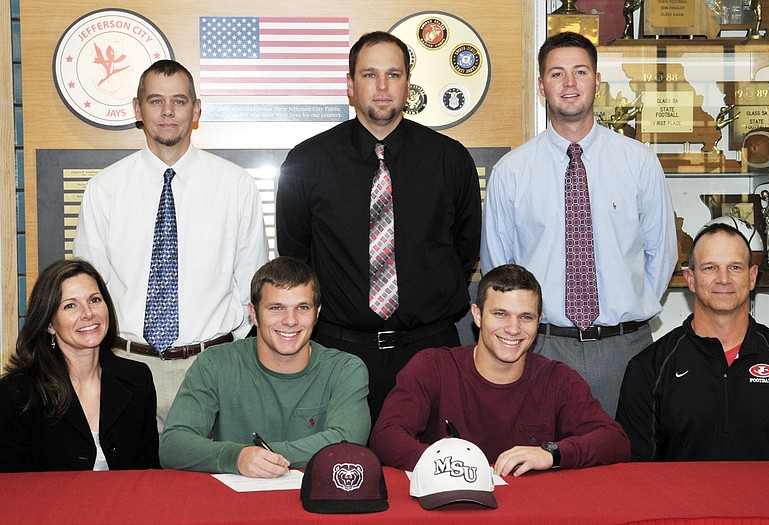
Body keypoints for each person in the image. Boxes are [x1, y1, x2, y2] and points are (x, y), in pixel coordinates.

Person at [277, 31, 481, 424]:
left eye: (394, 74)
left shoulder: (449, 160)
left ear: (408, 83)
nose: (383, 87)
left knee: (434, 472)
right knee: (340, 474)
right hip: (337, 353)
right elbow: (295, 256)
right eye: (370, 75)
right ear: (350, 85)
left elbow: (464, 250)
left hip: (430, 350)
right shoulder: (306, 162)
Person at [481, 31, 677, 417]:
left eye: (580, 72)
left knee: (626, 465)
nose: (569, 84)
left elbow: (662, 254)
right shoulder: (512, 172)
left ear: (597, 81)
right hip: (541, 348)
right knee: (541, 466)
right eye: (557, 74)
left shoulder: (639, 163)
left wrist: (625, 307)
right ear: (541, 85)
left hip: (625, 349)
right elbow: (498, 270)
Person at [73, 60, 268, 429]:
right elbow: (89, 289)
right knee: (132, 486)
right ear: (137, 108)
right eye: (155, 101)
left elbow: (251, 288)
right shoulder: (105, 189)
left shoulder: (235, 185)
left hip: (211, 367)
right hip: (127, 367)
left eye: (179, 101)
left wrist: (224, 352)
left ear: (196, 110)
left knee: (209, 485)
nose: (167, 112)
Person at [369, 264, 630, 475]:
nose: (513, 329)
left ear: (539, 322)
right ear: (478, 315)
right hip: (452, 505)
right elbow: (386, 436)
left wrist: (552, 453)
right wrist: (445, 464)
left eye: (525, 317)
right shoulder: (433, 367)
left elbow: (615, 441)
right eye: (501, 314)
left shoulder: (558, 379)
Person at [159, 257, 370, 477]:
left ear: (317, 314)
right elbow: (173, 445)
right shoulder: (215, 364)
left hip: (315, 502)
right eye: (276, 308)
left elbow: (348, 441)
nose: (290, 320)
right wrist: (237, 457)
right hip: (235, 503)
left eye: (302, 308)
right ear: (253, 314)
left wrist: (259, 455)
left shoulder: (346, 370)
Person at [616, 222, 769, 461]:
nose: (723, 279)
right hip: (681, 500)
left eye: (734, 267)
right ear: (690, 279)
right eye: (710, 268)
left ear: (752, 276)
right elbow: (637, 476)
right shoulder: (648, 370)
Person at [0, 259, 159, 472]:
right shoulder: (18, 393)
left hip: (124, 504)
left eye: (94, 300)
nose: (87, 313)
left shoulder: (137, 379)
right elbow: (13, 485)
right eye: (70, 306)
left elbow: (147, 473)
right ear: (49, 324)